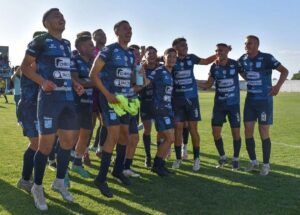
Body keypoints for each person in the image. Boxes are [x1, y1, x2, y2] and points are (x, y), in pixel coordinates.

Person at [20, 8, 84, 210]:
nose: (62, 18)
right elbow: (25, 67)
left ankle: (58, 183)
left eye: (63, 16)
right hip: (48, 100)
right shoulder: (40, 41)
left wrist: (75, 84)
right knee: (45, 146)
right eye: (56, 16)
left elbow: (65, 70)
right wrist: (42, 81)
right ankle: (37, 187)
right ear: (46, 22)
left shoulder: (66, 44)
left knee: (67, 142)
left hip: (67, 99)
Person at [90, 20, 135, 198]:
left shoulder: (131, 55)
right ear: (116, 31)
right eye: (125, 29)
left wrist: (139, 80)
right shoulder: (109, 50)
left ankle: (117, 171)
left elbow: (130, 77)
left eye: (130, 29)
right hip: (109, 99)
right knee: (114, 135)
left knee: (125, 135)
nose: (129, 32)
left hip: (125, 101)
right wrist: (107, 95)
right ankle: (101, 179)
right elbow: (93, 74)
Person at [238, 35, 288, 176]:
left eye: (250, 43)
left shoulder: (267, 58)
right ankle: (253, 161)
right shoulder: (242, 59)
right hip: (250, 101)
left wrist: (277, 86)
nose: (247, 46)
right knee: (248, 131)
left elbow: (285, 71)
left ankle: (266, 164)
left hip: (264, 101)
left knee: (263, 131)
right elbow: (237, 68)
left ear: (257, 45)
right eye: (245, 44)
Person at [171, 37, 216, 171]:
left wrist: (219, 54)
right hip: (177, 100)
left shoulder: (192, 58)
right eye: (183, 46)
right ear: (175, 48)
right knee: (178, 129)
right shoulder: (171, 58)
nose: (186, 47)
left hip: (192, 99)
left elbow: (207, 61)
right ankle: (178, 158)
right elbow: (156, 59)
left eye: (186, 45)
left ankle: (196, 159)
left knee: (193, 128)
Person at [201, 43, 242, 170]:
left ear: (227, 51)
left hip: (233, 105)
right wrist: (193, 81)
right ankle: (223, 157)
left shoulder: (235, 64)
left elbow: (247, 77)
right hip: (219, 105)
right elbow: (208, 85)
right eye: (217, 50)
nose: (219, 52)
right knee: (215, 132)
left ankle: (235, 159)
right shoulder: (214, 66)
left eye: (221, 50)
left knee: (236, 132)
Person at [16, 31, 45, 194]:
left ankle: (27, 177)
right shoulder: (31, 63)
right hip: (29, 108)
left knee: (40, 144)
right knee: (36, 144)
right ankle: (25, 180)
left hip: (39, 107)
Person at [143, 48, 177, 176]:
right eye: (170, 56)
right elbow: (146, 82)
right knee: (170, 138)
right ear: (164, 58)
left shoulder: (170, 72)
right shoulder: (159, 71)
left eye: (174, 57)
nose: (172, 59)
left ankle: (160, 164)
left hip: (168, 109)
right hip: (159, 108)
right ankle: (157, 165)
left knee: (167, 138)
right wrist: (140, 73)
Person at [70, 34, 95, 178]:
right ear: (81, 47)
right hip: (75, 103)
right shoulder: (74, 60)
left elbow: (87, 81)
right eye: (90, 45)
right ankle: (63, 167)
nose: (93, 48)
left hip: (89, 103)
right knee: (71, 136)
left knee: (85, 135)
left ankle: (77, 163)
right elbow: (76, 80)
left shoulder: (93, 63)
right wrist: (96, 82)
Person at [139, 46, 160, 168]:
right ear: (145, 56)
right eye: (149, 53)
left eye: (153, 53)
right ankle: (148, 156)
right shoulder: (141, 69)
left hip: (159, 104)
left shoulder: (161, 68)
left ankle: (159, 155)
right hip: (146, 103)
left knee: (160, 131)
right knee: (147, 130)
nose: (151, 55)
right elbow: (139, 84)